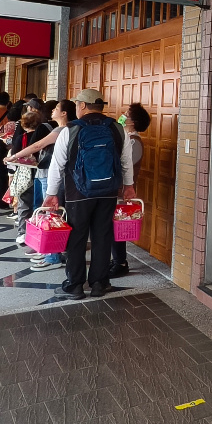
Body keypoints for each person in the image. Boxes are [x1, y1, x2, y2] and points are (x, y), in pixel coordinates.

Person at [42, 89, 136, 300]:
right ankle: (99, 283)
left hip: (78, 193)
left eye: (77, 104)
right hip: (108, 191)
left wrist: (51, 193)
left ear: (83, 106)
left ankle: (74, 285)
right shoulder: (117, 128)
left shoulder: (70, 130)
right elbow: (126, 161)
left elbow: (57, 166)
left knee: (76, 237)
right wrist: (128, 186)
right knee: (103, 236)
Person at [12, 100, 73, 271]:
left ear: (64, 113)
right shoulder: (61, 129)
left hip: (51, 177)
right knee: (49, 214)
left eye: (57, 108)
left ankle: (52, 257)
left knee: (51, 216)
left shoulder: (62, 130)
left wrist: (14, 156)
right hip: (48, 175)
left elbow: (38, 145)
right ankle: (48, 251)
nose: (53, 110)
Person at [109, 102, 151, 278]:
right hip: (115, 188)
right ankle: (116, 259)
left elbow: (126, 167)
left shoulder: (134, 142)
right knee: (112, 226)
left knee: (117, 226)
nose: (122, 115)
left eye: (126, 114)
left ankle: (121, 262)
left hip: (122, 190)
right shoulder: (126, 138)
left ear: (132, 122)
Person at [10, 103, 52, 245]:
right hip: (43, 172)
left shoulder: (21, 138)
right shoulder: (45, 135)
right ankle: (40, 232)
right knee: (40, 204)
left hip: (25, 173)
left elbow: (15, 154)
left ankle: (23, 233)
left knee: (24, 204)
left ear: (23, 124)